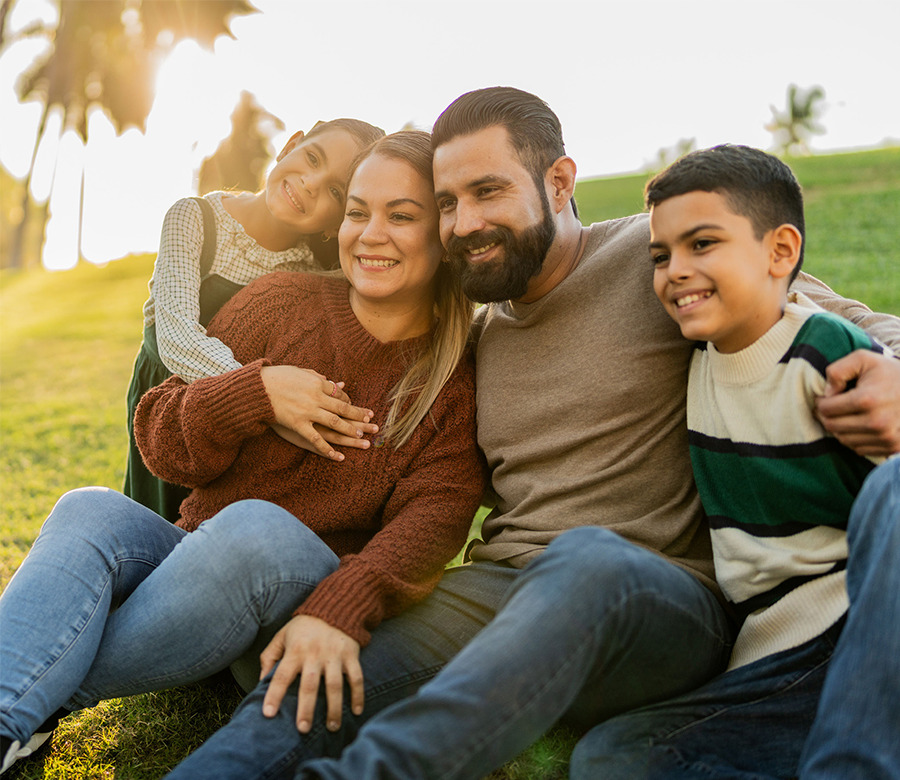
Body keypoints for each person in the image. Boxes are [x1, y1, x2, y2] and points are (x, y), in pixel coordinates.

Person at [164, 87, 900, 780]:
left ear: (557, 182)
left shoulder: (657, 256)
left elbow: (847, 318)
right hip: (500, 589)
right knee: (319, 673)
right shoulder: (475, 336)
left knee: (583, 561)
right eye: (447, 203)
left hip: (652, 598)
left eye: (488, 192)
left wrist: (893, 371)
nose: (465, 223)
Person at [0, 130, 485, 776]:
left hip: (296, 597)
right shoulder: (283, 301)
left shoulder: (446, 381)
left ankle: (48, 685)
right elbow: (160, 433)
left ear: (443, 237)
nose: (371, 233)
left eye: (401, 216)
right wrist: (253, 394)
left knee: (255, 530)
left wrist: (343, 604)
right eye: (359, 211)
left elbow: (434, 523)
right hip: (193, 575)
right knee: (89, 510)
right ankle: (8, 718)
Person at [562, 144, 899, 778]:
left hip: (855, 630)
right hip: (771, 667)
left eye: (703, 244)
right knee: (613, 756)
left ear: (780, 252)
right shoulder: (693, 362)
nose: (676, 270)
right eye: (661, 256)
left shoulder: (828, 356)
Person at [124, 118, 385, 522]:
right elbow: (176, 338)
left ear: (342, 219)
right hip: (167, 398)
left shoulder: (315, 269)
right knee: (152, 522)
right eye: (312, 157)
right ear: (291, 144)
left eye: (335, 190)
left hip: (245, 426)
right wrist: (264, 393)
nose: (311, 183)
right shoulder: (194, 219)